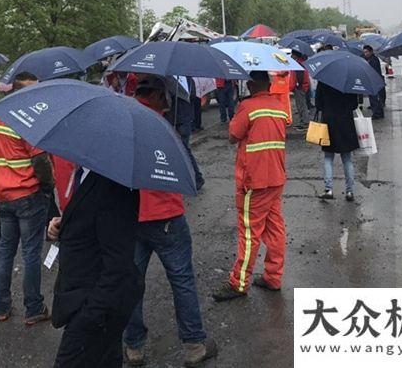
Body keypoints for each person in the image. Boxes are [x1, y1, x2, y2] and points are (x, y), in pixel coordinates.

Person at [123, 77, 217, 367]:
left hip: (131, 216)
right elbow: (184, 170)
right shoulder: (160, 127)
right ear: (151, 95)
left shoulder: (123, 122)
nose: (167, 100)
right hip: (165, 215)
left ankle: (134, 347)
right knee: (182, 280)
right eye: (163, 95)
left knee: (131, 282)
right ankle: (193, 344)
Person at [48, 169, 144, 367]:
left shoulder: (113, 186)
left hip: (96, 308)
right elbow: (90, 218)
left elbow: (118, 262)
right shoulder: (83, 173)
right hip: (89, 300)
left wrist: (91, 315)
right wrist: (62, 225)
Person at [0, 71, 54, 324]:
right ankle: (33, 308)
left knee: (5, 251)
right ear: (22, 92)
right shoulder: (27, 121)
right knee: (31, 253)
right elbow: (41, 160)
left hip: (4, 197)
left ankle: (2, 307)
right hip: (29, 195)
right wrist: (47, 186)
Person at [212, 71, 288, 301]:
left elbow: (233, 134)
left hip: (254, 181)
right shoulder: (278, 105)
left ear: (252, 84)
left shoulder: (248, 107)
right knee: (275, 229)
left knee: (249, 233)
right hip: (276, 177)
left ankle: (239, 283)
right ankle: (273, 277)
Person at [315, 81, 359, 201]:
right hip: (346, 122)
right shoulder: (349, 80)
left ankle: (328, 189)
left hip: (329, 122)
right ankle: (349, 191)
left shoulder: (323, 80)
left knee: (328, 157)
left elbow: (318, 104)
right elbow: (354, 104)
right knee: (347, 158)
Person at [167, 79, 205, 190]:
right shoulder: (178, 78)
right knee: (179, 149)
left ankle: (197, 177)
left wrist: (178, 93)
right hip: (175, 117)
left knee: (184, 149)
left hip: (182, 119)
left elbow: (192, 96)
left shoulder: (185, 80)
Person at [290, 50, 311, 130]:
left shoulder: (299, 65)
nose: (291, 56)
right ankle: (303, 121)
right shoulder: (301, 63)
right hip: (301, 87)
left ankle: (305, 122)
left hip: (299, 88)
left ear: (296, 55)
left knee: (301, 105)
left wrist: (296, 86)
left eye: (292, 54)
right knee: (302, 105)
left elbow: (299, 78)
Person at [363, 45, 385, 119]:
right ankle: (378, 112)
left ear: (371, 51)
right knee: (374, 98)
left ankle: (377, 113)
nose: (365, 54)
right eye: (364, 52)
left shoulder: (373, 60)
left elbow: (372, 71)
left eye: (366, 52)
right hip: (372, 81)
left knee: (375, 98)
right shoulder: (369, 59)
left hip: (374, 81)